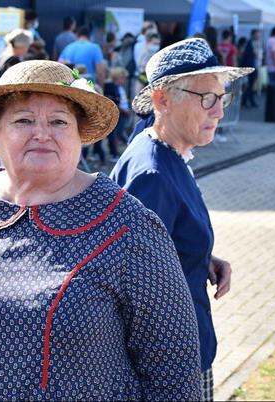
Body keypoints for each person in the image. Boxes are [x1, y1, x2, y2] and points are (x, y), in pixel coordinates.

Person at [0, 59, 203, 401]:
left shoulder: (130, 227)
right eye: (23, 120)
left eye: (58, 121)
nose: (41, 133)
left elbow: (173, 369)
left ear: (80, 135)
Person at [109, 38, 254, 401]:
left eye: (222, 97)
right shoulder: (152, 174)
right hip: (169, 365)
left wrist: (203, 258)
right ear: (162, 100)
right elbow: (134, 289)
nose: (219, 111)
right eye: (207, 98)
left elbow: (162, 247)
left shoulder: (165, 153)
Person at [132, 32, 161, 97]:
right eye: (154, 43)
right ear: (148, 42)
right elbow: (139, 65)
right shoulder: (143, 52)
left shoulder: (156, 54)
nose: (156, 46)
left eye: (158, 44)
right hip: (141, 77)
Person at [240, 29, 260, 108]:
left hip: (253, 66)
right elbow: (248, 56)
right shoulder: (249, 43)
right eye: (257, 34)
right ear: (253, 34)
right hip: (250, 66)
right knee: (250, 85)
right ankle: (247, 101)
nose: (258, 36)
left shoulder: (254, 43)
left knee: (250, 85)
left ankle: (247, 101)